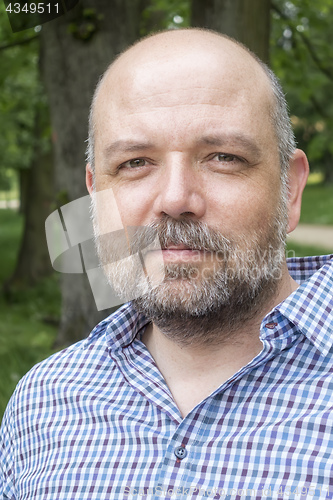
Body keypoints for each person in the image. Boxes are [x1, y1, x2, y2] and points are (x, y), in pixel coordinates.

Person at [1, 28, 332, 500]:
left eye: (223, 157)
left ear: (291, 190)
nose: (176, 199)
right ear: (95, 196)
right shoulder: (42, 403)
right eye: (135, 163)